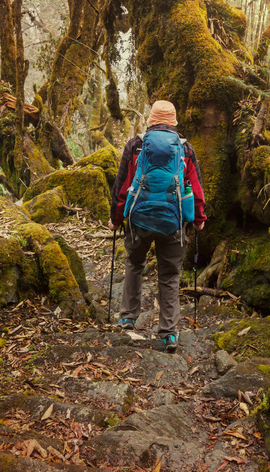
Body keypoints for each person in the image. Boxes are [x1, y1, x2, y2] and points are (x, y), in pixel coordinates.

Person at [110, 100, 207, 353]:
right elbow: (196, 190)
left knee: (134, 264)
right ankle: (169, 335)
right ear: (174, 122)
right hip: (173, 223)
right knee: (169, 275)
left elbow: (122, 185)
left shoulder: (135, 145)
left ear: (150, 120)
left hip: (138, 221)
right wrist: (198, 220)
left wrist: (116, 218)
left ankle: (128, 319)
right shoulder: (185, 149)